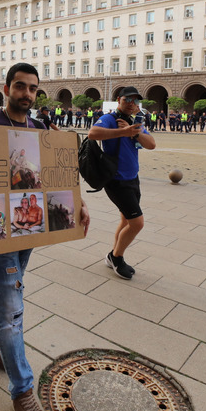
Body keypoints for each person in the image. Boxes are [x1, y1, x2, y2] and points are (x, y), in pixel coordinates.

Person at [0, 63, 90, 411]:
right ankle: (23, 390)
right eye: (20, 86)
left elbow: (59, 176)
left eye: (32, 88)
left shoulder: (41, 128)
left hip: (28, 227)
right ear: (6, 88)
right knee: (11, 307)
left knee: (3, 291)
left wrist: (80, 205)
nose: (26, 94)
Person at [88, 87, 156, 280]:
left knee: (126, 221)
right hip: (116, 180)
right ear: (119, 99)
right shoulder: (110, 118)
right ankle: (116, 257)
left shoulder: (136, 122)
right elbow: (92, 133)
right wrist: (122, 132)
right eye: (127, 99)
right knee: (137, 223)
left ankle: (113, 256)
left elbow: (151, 144)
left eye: (135, 100)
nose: (131, 103)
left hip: (132, 177)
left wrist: (132, 133)